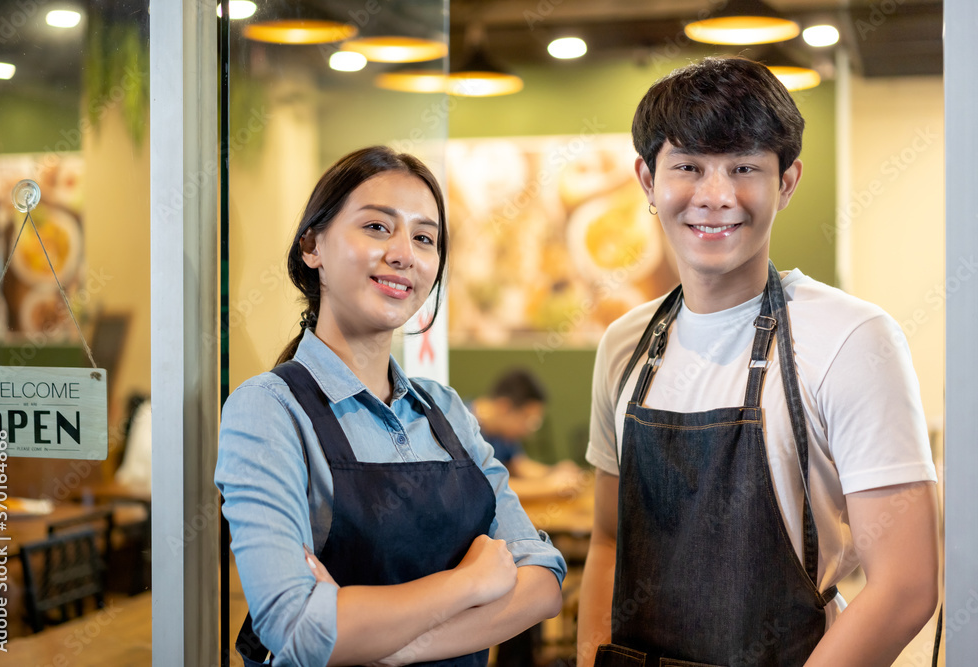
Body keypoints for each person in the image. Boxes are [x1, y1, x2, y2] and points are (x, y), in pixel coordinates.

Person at [577, 57, 939, 667]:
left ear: (787, 182)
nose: (715, 197)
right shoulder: (625, 344)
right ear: (647, 180)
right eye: (687, 167)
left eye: (744, 167)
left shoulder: (854, 338)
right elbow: (610, 540)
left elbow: (905, 587)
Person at [216, 146, 566, 667]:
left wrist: (387, 647)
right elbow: (295, 630)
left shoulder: (445, 410)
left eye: (424, 238)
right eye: (378, 228)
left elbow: (542, 582)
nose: (404, 253)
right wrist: (470, 583)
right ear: (312, 245)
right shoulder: (268, 410)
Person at [470, 367, 582, 501]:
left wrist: (554, 472)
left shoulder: (502, 431)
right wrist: (549, 486)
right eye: (528, 420)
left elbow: (517, 465)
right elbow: (484, 487)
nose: (529, 430)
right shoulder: (463, 428)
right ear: (504, 407)